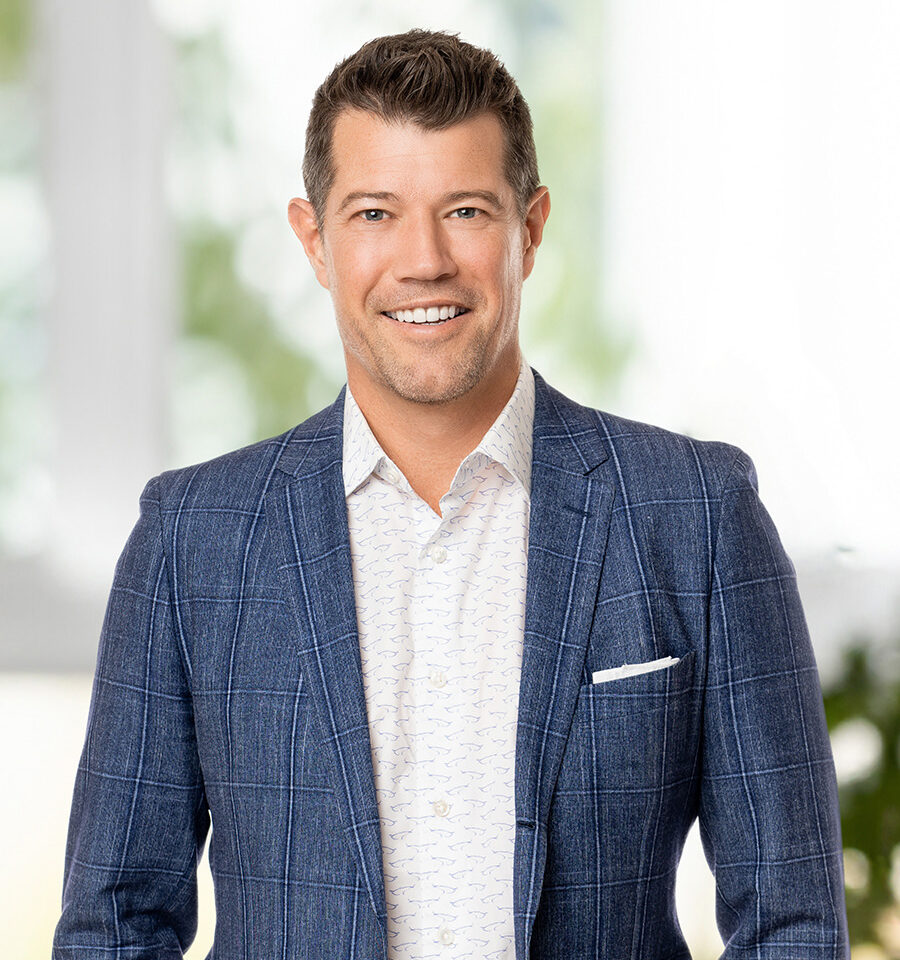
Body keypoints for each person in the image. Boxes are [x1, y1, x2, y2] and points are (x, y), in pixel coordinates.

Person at [53, 28, 849, 960]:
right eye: (375, 214)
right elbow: (113, 927)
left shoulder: (696, 515)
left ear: (532, 226)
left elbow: (791, 921)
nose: (423, 260)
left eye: (466, 210)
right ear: (314, 239)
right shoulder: (193, 542)